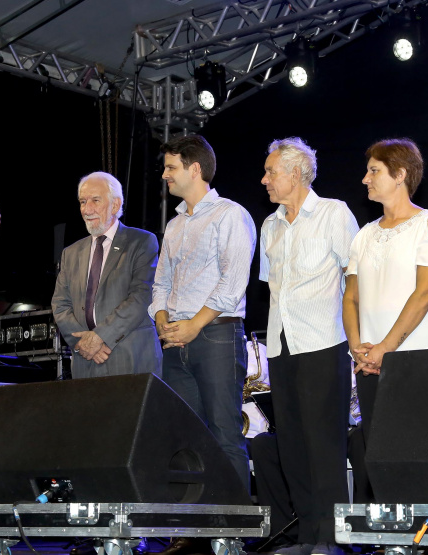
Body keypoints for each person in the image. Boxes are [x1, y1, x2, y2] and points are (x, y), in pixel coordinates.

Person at [259, 137, 359, 555]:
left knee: (324, 444)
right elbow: (272, 288)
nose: (264, 179)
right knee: (293, 446)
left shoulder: (334, 213)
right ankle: (306, 535)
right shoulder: (270, 225)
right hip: (281, 346)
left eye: (270, 172)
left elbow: (355, 275)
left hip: (323, 341)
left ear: (296, 173)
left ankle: (333, 537)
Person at [341, 138, 428, 498]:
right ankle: (393, 537)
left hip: (416, 360)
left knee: (420, 449)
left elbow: (424, 294)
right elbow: (351, 296)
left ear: (400, 174)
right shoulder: (363, 235)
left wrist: (387, 347)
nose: (364, 179)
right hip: (371, 363)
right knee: (380, 452)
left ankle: (426, 537)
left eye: (374, 171)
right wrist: (358, 347)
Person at [149, 134, 256, 493]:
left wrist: (194, 325)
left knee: (225, 434)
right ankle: (190, 533)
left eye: (171, 167)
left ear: (194, 169)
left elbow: (233, 282)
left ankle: (234, 535)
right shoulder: (175, 224)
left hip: (216, 336)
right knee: (184, 439)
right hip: (175, 339)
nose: (165, 174)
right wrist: (162, 319)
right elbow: (160, 281)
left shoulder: (231, 214)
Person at [52, 171, 162, 378]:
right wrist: (82, 343)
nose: (87, 209)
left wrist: (100, 337)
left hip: (130, 359)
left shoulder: (142, 242)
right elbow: (59, 304)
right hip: (86, 362)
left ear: (115, 205)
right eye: (83, 202)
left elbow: (141, 296)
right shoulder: (70, 253)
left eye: (95, 200)